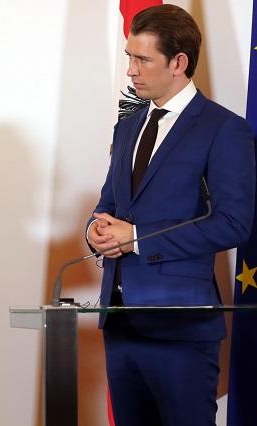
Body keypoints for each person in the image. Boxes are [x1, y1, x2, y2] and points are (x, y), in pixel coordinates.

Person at [87, 5, 255, 426]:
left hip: (180, 326)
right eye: (129, 57)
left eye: (142, 60)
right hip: (120, 323)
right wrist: (97, 229)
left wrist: (136, 237)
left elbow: (233, 223)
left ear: (179, 62)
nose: (131, 70)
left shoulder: (223, 129)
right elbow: (109, 204)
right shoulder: (128, 126)